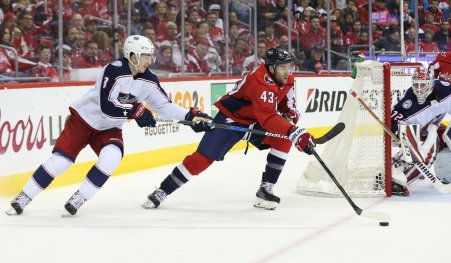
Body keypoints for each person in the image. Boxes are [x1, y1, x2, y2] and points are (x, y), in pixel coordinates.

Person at [5, 35, 213, 216]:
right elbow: (107, 105)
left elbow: (164, 106)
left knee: (111, 158)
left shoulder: (149, 80)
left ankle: (79, 198)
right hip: (83, 120)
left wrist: (190, 115)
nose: (151, 59)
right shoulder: (114, 70)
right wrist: (136, 111)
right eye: (147, 55)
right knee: (61, 162)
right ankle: (23, 197)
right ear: (133, 56)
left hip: (109, 128)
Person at [142, 48, 317, 210]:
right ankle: (162, 191)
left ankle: (266, 189)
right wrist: (295, 131)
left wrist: (291, 113)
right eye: (283, 68)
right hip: (232, 119)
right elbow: (269, 118)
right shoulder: (260, 81)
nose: (288, 72)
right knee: (202, 158)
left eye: (290, 67)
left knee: (282, 138)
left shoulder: (287, 78)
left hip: (256, 119)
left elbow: (288, 103)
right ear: (271, 68)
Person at [390, 68, 451, 196]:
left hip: (432, 130)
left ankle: (450, 172)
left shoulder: (443, 92)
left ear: (431, 84)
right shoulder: (407, 103)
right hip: (416, 135)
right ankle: (396, 178)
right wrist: (400, 138)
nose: (419, 89)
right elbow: (393, 123)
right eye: (416, 85)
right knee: (425, 157)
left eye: (423, 85)